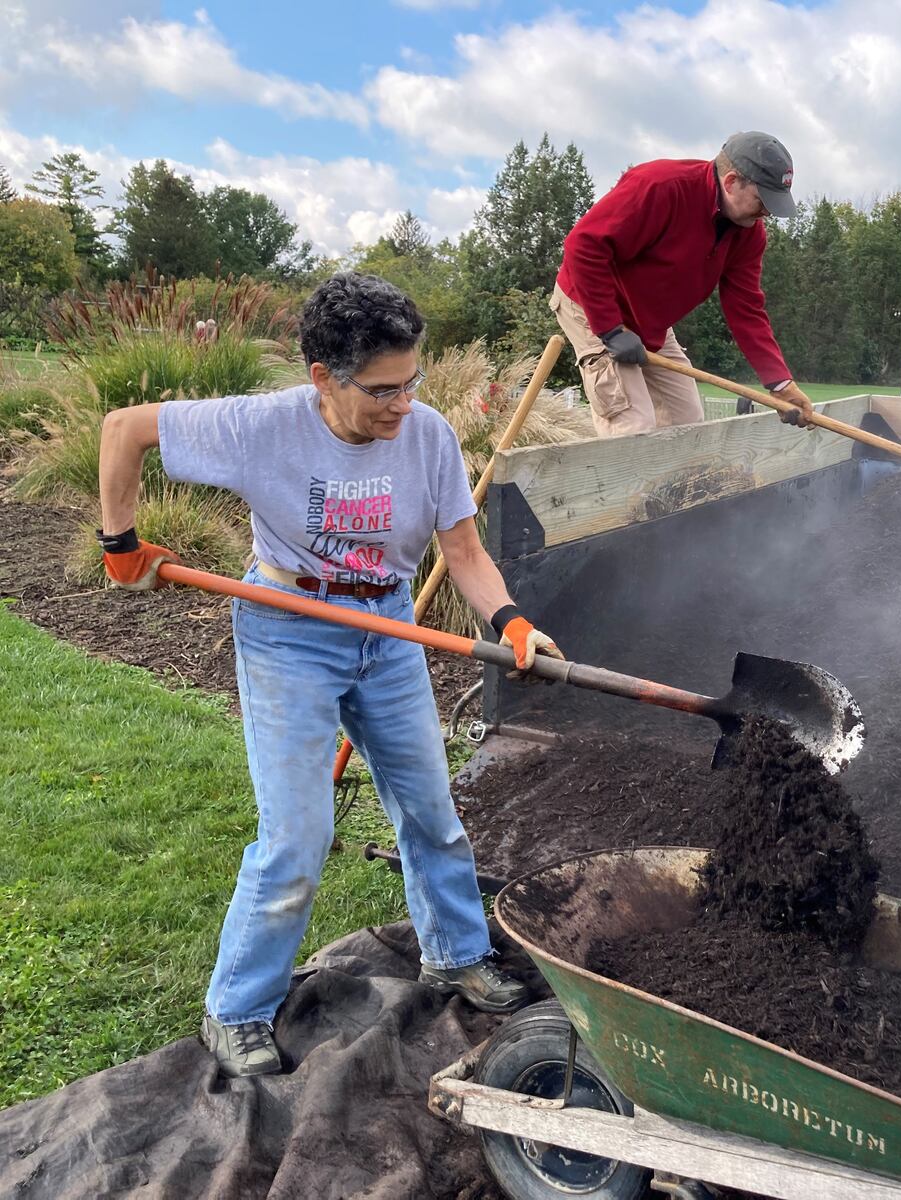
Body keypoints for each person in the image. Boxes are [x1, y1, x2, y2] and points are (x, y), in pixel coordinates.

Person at [96, 272, 566, 1078]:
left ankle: (454, 952)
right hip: (287, 630)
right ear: (323, 377)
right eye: (383, 390)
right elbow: (123, 427)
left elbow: (463, 554)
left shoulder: (429, 438)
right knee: (297, 837)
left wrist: (511, 623)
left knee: (430, 808)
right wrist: (120, 544)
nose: (402, 405)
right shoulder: (258, 427)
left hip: (384, 630)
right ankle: (237, 1007)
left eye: (411, 381)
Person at [550, 131, 815, 436]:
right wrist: (610, 328)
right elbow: (584, 245)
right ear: (730, 182)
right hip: (590, 303)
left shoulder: (749, 234)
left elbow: (746, 310)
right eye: (762, 200)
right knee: (632, 426)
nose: (767, 212)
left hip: (649, 322)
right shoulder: (660, 186)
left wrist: (781, 384)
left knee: (686, 421)